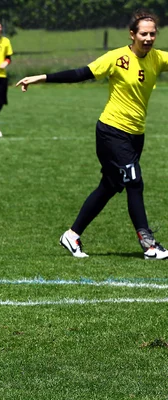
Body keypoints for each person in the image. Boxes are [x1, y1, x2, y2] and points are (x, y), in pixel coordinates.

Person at [16, 9, 168, 260]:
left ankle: (72, 235)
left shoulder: (157, 59)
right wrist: (40, 77)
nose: (149, 38)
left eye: (153, 34)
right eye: (144, 34)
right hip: (111, 132)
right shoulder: (116, 58)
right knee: (134, 182)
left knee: (110, 186)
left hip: (135, 134)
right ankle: (149, 244)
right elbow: (80, 74)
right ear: (132, 34)